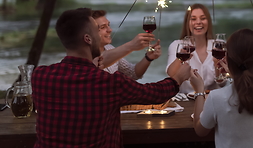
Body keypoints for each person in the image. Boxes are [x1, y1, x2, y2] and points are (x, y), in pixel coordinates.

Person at [31, 8, 191, 148]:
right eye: (97, 29)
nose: (106, 32)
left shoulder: (40, 76)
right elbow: (154, 94)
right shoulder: (108, 82)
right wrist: (177, 78)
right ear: (88, 39)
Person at [190, 28, 253, 148]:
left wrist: (199, 91)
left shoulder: (217, 98)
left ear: (227, 58)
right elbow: (248, 84)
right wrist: (235, 73)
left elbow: (200, 130)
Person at [166, 3, 225, 93]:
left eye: (203, 18)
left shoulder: (219, 46)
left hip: (211, 100)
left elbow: (223, 83)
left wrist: (217, 64)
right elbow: (171, 75)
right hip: (185, 100)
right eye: (193, 19)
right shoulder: (177, 45)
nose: (198, 22)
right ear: (187, 23)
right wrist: (180, 58)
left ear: (208, 21)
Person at [92, 10, 161, 79]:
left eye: (108, 25)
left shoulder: (109, 48)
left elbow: (133, 73)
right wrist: (131, 45)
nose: (110, 30)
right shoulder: (85, 56)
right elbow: (100, 61)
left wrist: (148, 57)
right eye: (103, 27)